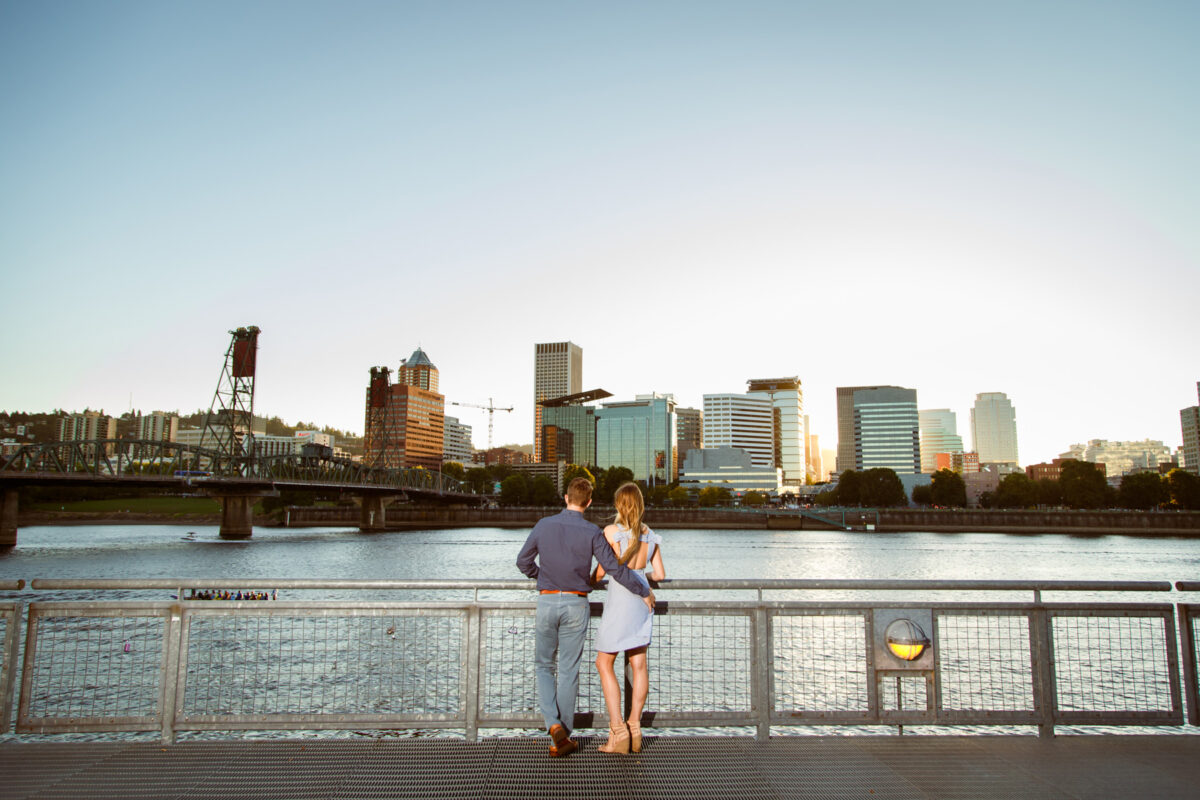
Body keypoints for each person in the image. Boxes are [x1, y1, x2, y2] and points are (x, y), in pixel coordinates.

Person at [517, 477, 655, 758]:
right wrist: (643, 590)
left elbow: (523, 562)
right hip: (577, 603)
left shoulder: (544, 525)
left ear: (565, 498)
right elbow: (616, 570)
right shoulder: (592, 532)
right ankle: (563, 735)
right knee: (569, 669)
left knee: (544, 666)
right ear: (589, 502)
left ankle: (553, 725)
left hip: (546, 600)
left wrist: (541, 576)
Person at [592, 482, 665, 755]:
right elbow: (658, 574)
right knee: (639, 665)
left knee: (603, 661)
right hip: (642, 601)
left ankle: (617, 729)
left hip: (620, 601)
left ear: (618, 506)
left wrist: (589, 580)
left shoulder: (611, 532)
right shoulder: (650, 535)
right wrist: (642, 577)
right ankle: (635, 725)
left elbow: (601, 572)